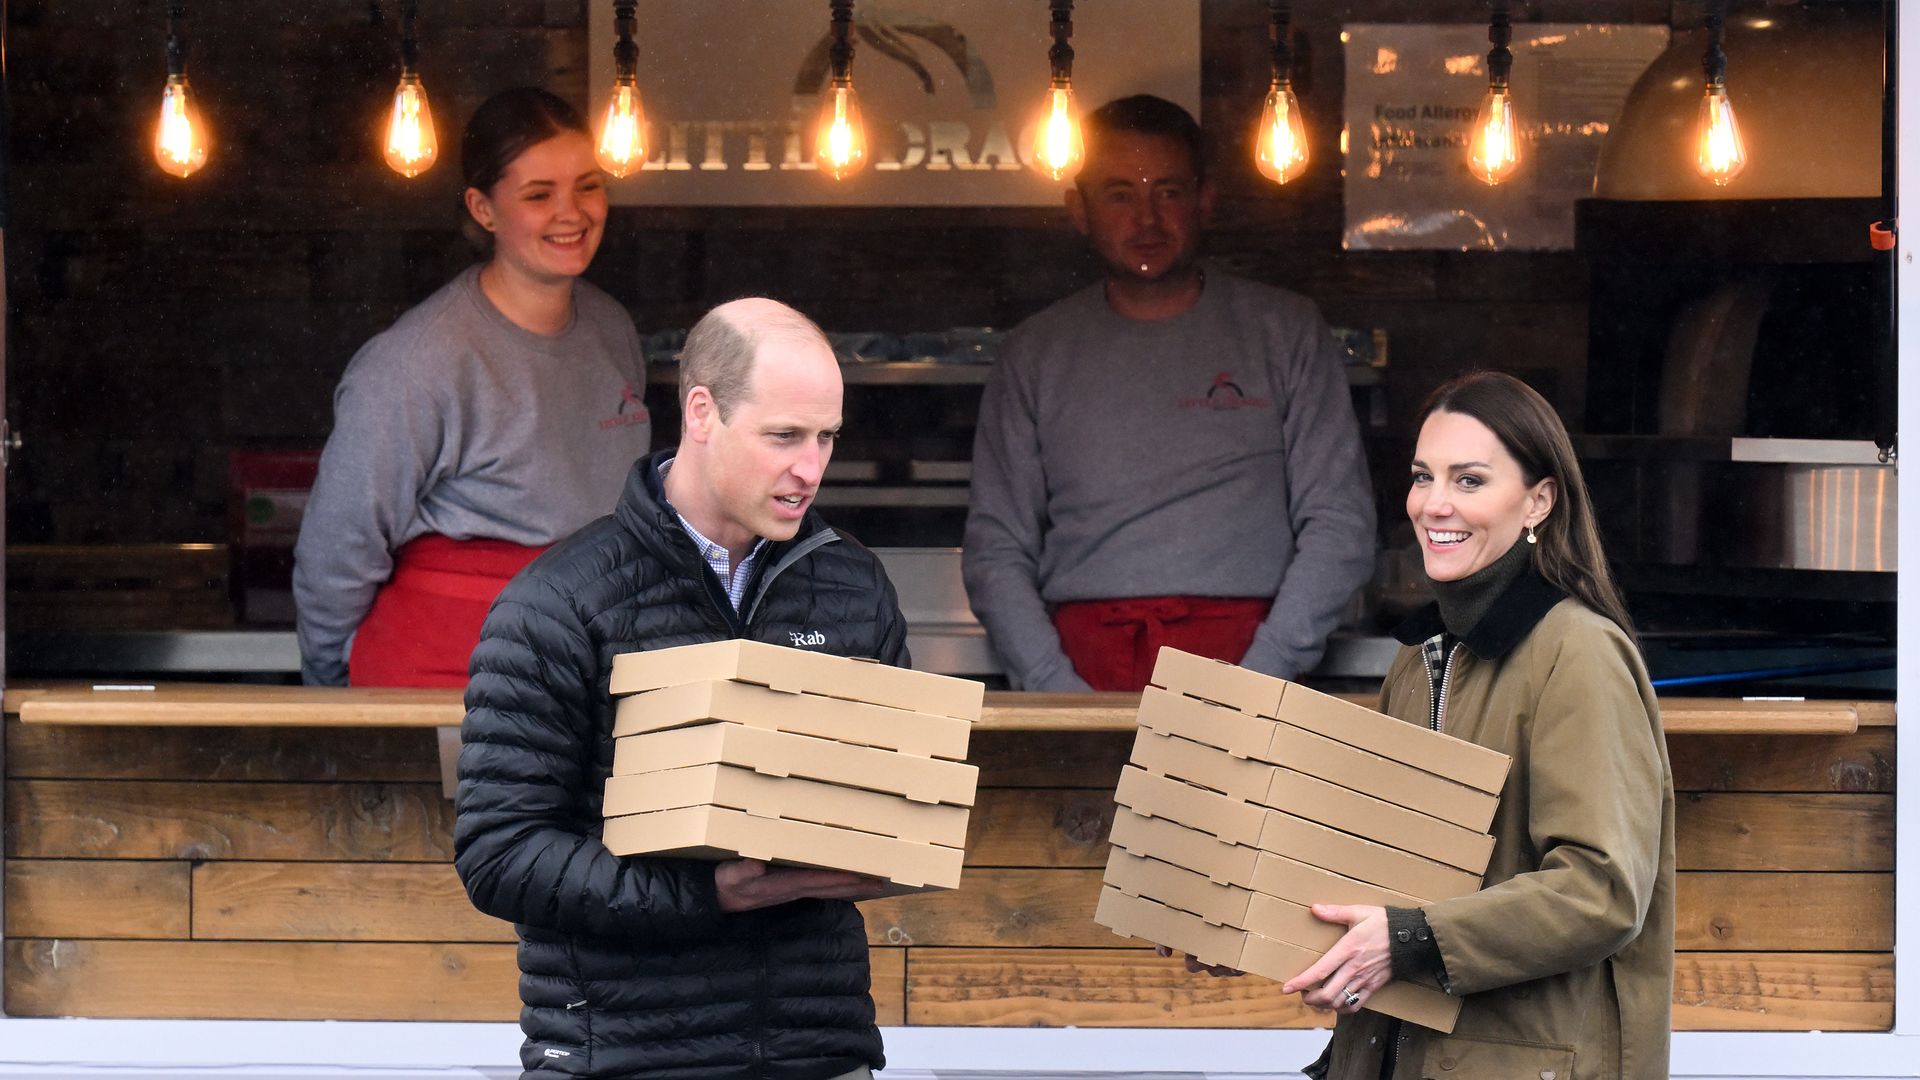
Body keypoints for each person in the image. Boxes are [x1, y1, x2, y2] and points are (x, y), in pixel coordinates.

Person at [455, 297, 902, 1080]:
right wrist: (709, 893)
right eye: (783, 436)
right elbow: (500, 852)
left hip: (818, 1049)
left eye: (826, 436)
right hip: (624, 1055)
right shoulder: (559, 600)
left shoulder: (853, 586)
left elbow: (889, 803)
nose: (811, 467)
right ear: (702, 411)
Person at [1279, 371, 1676, 1079]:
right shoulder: (1418, 656)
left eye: (1469, 481)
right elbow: (1387, 886)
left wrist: (1408, 942)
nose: (1434, 504)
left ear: (1539, 501)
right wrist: (1254, 931)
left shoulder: (1577, 653)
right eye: (1422, 476)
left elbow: (1601, 891)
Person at [963, 94, 1375, 692]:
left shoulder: (1284, 331)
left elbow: (1340, 524)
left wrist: (1261, 678)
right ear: (1079, 209)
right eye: (1120, 194)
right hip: (1084, 662)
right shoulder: (1035, 352)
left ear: (1206, 201)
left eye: (1169, 192)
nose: (1147, 220)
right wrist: (1056, 689)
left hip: (1251, 651)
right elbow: (996, 547)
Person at [293, 87, 651, 687]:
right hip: (450, 669)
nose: (573, 212)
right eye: (539, 195)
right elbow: (338, 548)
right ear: (483, 210)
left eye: (588, 185)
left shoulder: (611, 328)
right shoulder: (414, 363)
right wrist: (331, 696)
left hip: (591, 654)